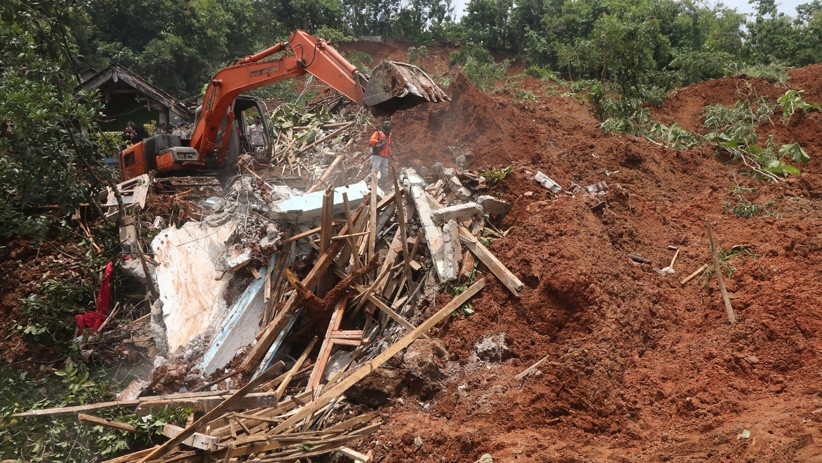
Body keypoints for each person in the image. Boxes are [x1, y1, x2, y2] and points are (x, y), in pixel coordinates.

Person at [369, 120, 392, 186]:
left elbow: (387, 146)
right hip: (378, 154)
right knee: (375, 169)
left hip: (385, 156)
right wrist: (379, 141)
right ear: (384, 127)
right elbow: (371, 140)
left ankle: (382, 185)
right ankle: (372, 185)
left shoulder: (388, 135)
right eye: (387, 127)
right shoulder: (378, 133)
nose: (388, 129)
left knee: (385, 172)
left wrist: (390, 154)